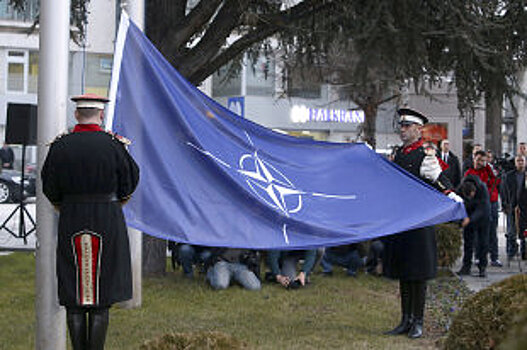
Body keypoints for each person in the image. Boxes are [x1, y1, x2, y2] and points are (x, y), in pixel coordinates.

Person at [41, 93, 139, 350]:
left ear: (76, 114)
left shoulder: (60, 146)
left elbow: (49, 187)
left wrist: (67, 205)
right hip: (108, 218)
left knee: (75, 295)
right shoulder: (115, 145)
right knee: (101, 295)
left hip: (71, 217)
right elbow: (129, 184)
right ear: (101, 114)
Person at [383, 107, 462, 339]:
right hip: (402, 219)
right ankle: (405, 320)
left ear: (418, 129)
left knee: (417, 273)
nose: (403, 130)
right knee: (404, 272)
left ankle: (417, 321)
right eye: (402, 126)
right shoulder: (399, 153)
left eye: (407, 126)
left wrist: (444, 186)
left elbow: (441, 181)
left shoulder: (426, 153)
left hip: (419, 220)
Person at [465, 150, 502, 267]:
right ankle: (478, 256)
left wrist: (490, 168)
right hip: (477, 205)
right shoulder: (469, 172)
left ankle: (494, 257)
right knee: (476, 233)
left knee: (492, 232)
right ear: (474, 159)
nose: (480, 163)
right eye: (478, 160)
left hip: (491, 202)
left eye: (483, 160)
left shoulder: (489, 170)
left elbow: (497, 181)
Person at [456, 175, 491, 277]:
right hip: (469, 216)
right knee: (468, 243)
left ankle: (482, 267)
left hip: (483, 218)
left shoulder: (482, 188)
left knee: (483, 243)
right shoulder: (460, 189)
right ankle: (466, 266)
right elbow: (458, 204)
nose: (470, 198)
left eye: (472, 195)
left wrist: (470, 219)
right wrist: (462, 218)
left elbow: (482, 208)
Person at [501, 155, 525, 260]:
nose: (520, 163)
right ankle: (511, 252)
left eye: (522, 161)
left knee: (524, 231)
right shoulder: (508, 176)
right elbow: (503, 191)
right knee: (511, 231)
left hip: (525, 208)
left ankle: (524, 252)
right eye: (518, 161)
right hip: (512, 207)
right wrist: (505, 204)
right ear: (515, 163)